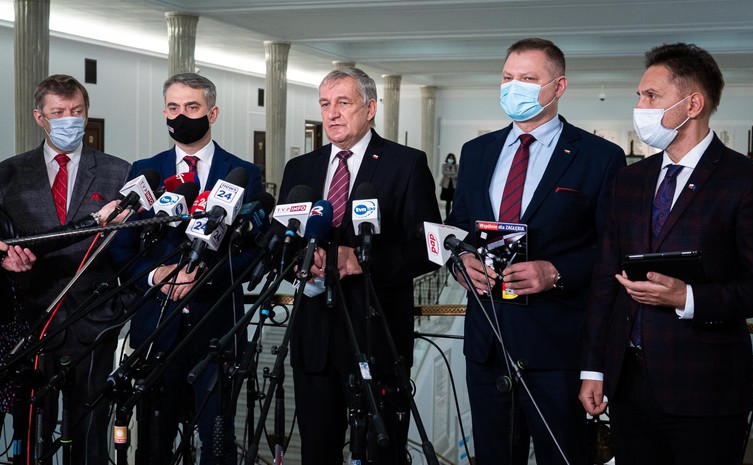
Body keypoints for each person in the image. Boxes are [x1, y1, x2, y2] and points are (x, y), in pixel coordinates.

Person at [579, 43, 753, 465]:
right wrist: (593, 368)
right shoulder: (629, 180)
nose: (639, 107)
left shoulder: (747, 181)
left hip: (706, 389)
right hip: (627, 386)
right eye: (639, 96)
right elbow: (605, 278)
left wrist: (688, 298)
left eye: (651, 96)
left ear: (693, 104)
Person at [445, 38, 626, 464]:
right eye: (507, 78)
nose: (514, 88)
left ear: (558, 86)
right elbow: (458, 226)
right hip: (487, 343)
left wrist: (557, 271)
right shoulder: (477, 152)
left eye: (528, 79)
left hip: (557, 348)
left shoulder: (599, 157)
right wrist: (460, 263)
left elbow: (613, 249)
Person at [276, 67, 441, 465]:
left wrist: (363, 263)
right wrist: (299, 263)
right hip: (314, 340)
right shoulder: (299, 170)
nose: (332, 113)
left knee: (381, 454)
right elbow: (280, 243)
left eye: (343, 103)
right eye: (325, 104)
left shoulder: (406, 164)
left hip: (377, 338)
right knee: (317, 453)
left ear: (370, 108)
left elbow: (428, 248)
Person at [110, 72, 262, 465]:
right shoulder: (146, 171)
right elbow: (123, 248)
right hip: (157, 328)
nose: (181, 116)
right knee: (154, 444)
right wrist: (156, 276)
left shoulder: (242, 173)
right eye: (173, 107)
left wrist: (203, 276)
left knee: (217, 441)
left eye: (192, 107)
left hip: (217, 327)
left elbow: (253, 253)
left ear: (212, 113)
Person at [0, 74, 131, 464]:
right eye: (58, 112)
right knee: (26, 432)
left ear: (87, 115)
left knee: (89, 430)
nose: (68, 119)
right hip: (29, 322)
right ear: (39, 117)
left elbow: (134, 248)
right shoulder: (8, 174)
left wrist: (121, 304)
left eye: (76, 111)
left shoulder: (118, 172)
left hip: (95, 319)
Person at [439, 152, 458, 217]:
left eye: (452, 158)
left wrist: (450, 175)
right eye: (449, 158)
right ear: (447, 158)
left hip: (453, 185)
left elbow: (457, 174)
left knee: (454, 201)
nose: (451, 159)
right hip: (446, 185)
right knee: (448, 201)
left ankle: (453, 216)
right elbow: (444, 172)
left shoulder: (456, 166)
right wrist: (452, 173)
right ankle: (447, 216)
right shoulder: (444, 165)